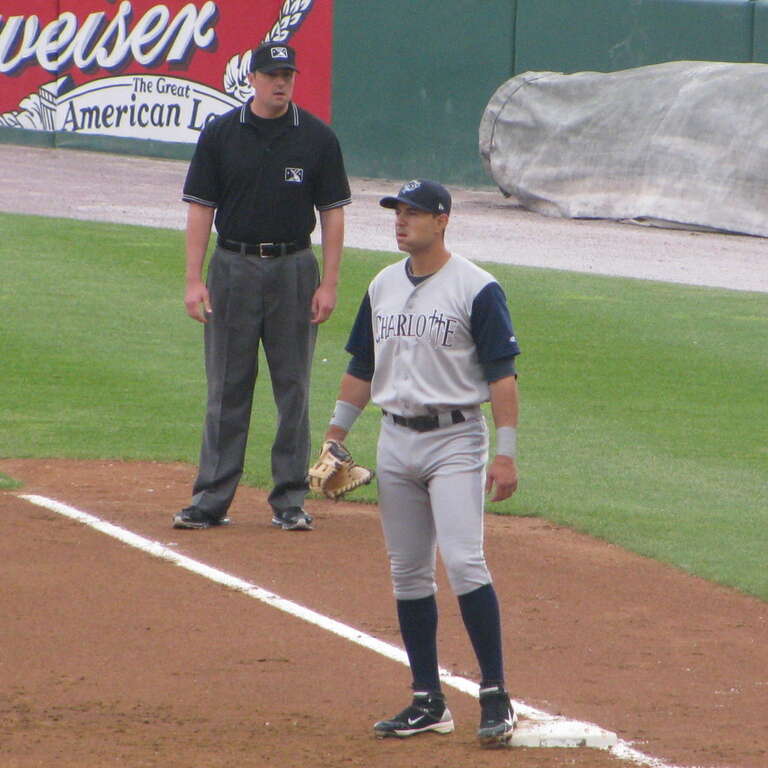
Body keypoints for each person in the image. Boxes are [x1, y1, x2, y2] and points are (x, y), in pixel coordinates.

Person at [321, 179, 521, 747]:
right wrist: (335, 434)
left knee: (462, 560)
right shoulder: (383, 285)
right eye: (397, 212)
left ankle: (496, 696)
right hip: (395, 439)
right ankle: (427, 699)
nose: (400, 221)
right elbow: (363, 366)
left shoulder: (477, 288)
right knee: (407, 570)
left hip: (456, 439)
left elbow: (503, 376)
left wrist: (504, 456)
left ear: (443, 220)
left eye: (413, 213)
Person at [173, 42, 351, 531]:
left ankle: (290, 499)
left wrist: (330, 283)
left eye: (287, 75)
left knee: (292, 388)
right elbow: (200, 209)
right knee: (227, 388)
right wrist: (193, 279)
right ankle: (211, 499)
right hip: (232, 266)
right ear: (251, 78)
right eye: (272, 74)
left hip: (295, 268)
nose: (281, 83)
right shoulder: (221, 133)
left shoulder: (316, 138)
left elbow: (332, 214)